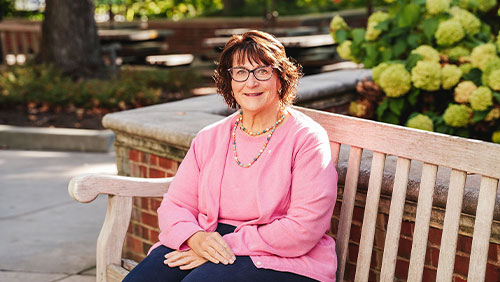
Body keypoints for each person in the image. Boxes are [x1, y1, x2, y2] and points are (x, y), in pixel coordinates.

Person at [123, 30, 338, 282]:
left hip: (283, 255)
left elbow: (304, 227)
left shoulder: (307, 138)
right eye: (240, 72)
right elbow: (176, 205)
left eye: (262, 71)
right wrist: (196, 238)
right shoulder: (210, 137)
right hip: (208, 236)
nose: (251, 82)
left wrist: (223, 246)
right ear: (230, 81)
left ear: (280, 77)